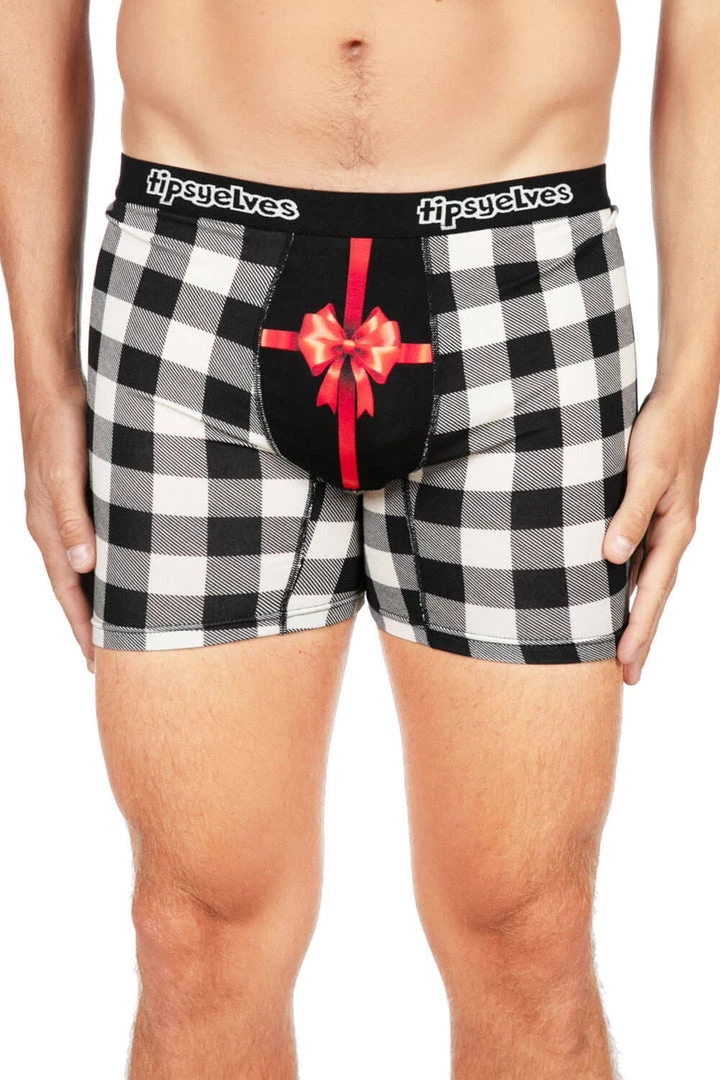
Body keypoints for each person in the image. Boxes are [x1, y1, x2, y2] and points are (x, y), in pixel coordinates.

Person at [1, 2, 717, 1077]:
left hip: (524, 272)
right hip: (195, 262)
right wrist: (42, 374)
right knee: (193, 935)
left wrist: (697, 368)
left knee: (529, 933)